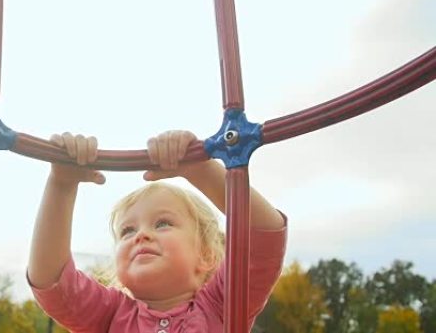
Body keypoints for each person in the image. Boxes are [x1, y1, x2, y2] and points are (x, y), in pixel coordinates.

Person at [27, 130, 287, 332]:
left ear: (206, 255)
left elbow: (264, 236)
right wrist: (61, 186)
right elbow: (51, 281)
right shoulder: (109, 315)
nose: (142, 235)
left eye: (162, 223)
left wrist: (201, 170)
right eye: (127, 231)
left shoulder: (223, 306)